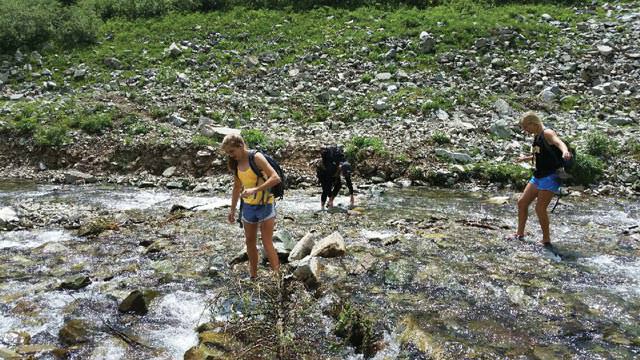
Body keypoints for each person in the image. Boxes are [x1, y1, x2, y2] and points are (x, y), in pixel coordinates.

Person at [222, 134, 280, 278]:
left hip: (265, 204)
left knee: (267, 242)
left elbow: (275, 178)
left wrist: (255, 190)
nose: (230, 155)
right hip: (248, 207)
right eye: (228, 152)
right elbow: (237, 187)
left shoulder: (256, 158)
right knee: (249, 242)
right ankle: (253, 276)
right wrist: (232, 210)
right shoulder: (235, 163)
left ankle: (277, 276)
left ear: (240, 146)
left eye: (231, 151)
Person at [511, 111, 572, 245]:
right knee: (522, 203)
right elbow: (540, 154)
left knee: (540, 208)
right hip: (538, 175)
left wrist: (565, 151)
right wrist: (525, 158)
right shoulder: (537, 136)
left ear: (534, 123)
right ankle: (519, 233)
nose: (525, 130)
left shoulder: (547, 133)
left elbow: (559, 143)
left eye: (526, 127)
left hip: (550, 176)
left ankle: (546, 239)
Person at [316, 145, 355, 210]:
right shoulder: (331, 167)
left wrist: (352, 195)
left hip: (334, 170)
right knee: (325, 189)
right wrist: (330, 196)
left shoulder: (345, 165)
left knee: (338, 185)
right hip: (322, 171)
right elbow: (327, 187)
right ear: (340, 169)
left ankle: (330, 202)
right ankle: (322, 207)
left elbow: (348, 181)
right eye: (343, 174)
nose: (344, 176)